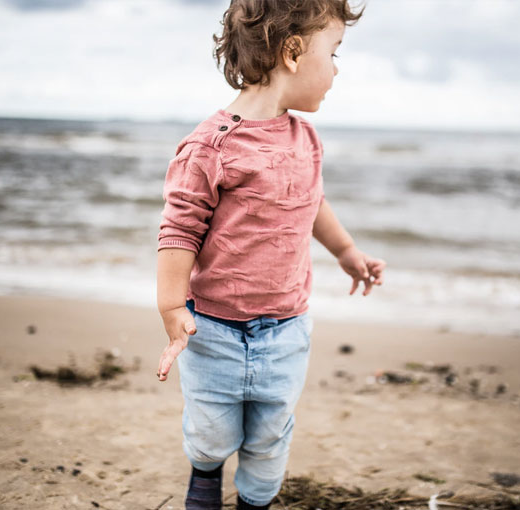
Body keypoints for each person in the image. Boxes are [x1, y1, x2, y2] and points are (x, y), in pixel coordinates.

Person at [155, 1, 384, 508]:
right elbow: (179, 230)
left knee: (270, 436)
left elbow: (311, 200)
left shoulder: (306, 138)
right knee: (211, 431)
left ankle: (254, 501)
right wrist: (172, 308)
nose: (338, 70)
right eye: (335, 52)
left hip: (286, 330)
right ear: (294, 51)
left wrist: (346, 250)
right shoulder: (211, 147)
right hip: (212, 330)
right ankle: (206, 473)